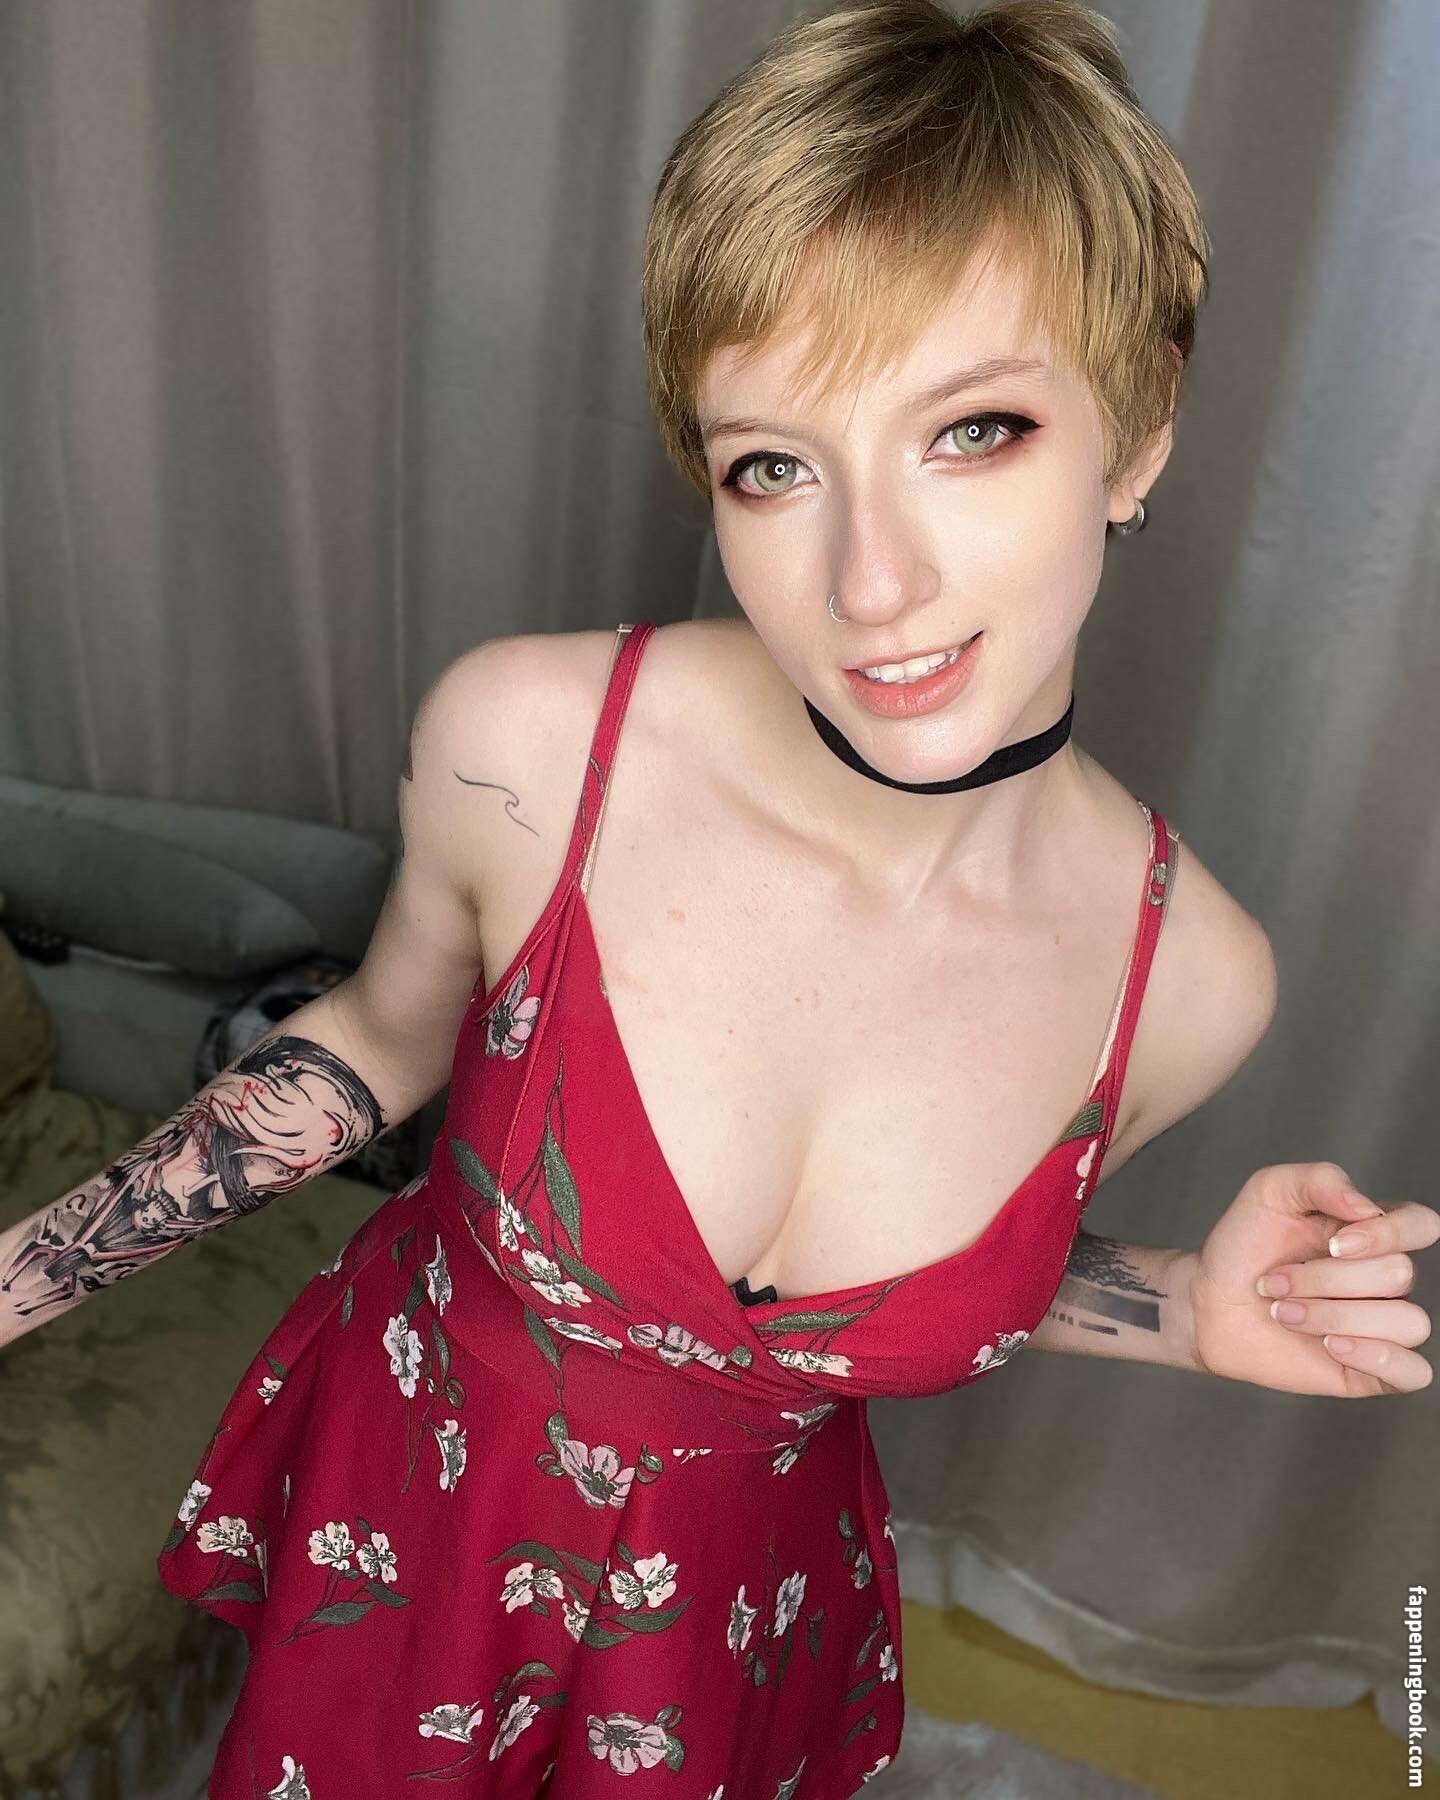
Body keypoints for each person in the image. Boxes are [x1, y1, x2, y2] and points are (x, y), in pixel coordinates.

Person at [3, 2, 1435, 1793]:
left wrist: (1186, 1309)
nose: (871, 580)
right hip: (422, 1519)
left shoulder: (1198, 982)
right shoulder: (530, 747)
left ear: (1136, 432)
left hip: (737, 1626)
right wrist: (13, 1280)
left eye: (974, 431)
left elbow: (926, 1277)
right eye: (776, 465)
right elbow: (377, 1045)